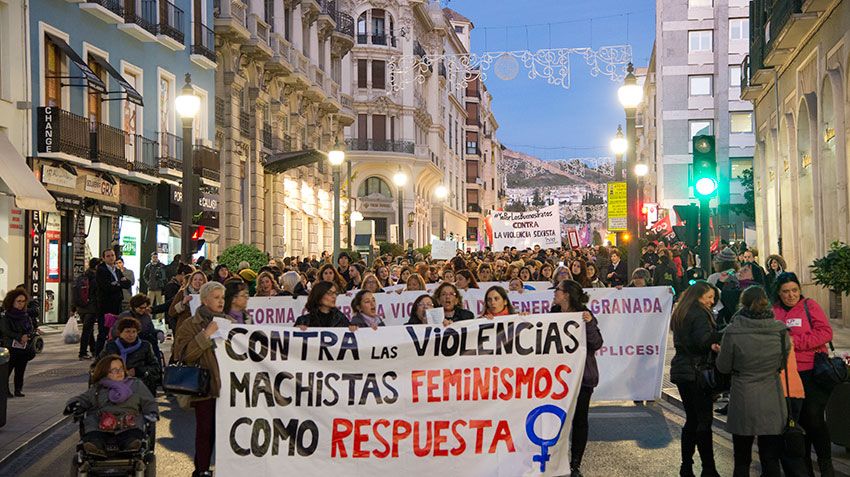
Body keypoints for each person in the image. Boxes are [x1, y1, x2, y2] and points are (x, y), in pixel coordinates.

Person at [715, 286, 794, 477]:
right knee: (770, 458)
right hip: (772, 396)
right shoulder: (780, 331)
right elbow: (782, 363)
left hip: (743, 396)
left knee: (742, 459)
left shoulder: (733, 331)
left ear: (743, 304)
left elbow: (723, 367)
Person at [772, 272, 836, 476]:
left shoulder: (810, 306)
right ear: (778, 293)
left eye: (794, 290)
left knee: (814, 418)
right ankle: (804, 467)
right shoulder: (774, 311)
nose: (791, 295)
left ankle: (826, 465)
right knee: (797, 423)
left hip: (812, 371)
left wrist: (795, 343)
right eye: (786, 292)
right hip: (788, 375)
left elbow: (825, 332)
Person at [172, 281, 227, 477]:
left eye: (222, 297)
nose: (221, 301)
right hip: (204, 388)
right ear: (204, 300)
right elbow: (183, 355)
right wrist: (206, 335)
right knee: (205, 432)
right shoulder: (190, 325)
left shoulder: (230, 322)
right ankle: (202, 470)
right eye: (216, 297)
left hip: (229, 388)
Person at [550, 280, 603, 477]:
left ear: (568, 294)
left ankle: (575, 464)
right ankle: (555, 460)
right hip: (556, 378)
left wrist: (589, 324)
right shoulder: (552, 315)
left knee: (580, 420)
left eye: (558, 290)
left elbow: (596, 343)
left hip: (581, 376)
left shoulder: (585, 315)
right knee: (555, 419)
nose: (555, 293)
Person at [669, 281, 721, 477]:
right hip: (697, 371)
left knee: (691, 419)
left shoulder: (682, 311)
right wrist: (719, 337)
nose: (711, 301)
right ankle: (708, 467)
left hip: (683, 370)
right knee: (703, 421)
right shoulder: (698, 313)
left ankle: (686, 465)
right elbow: (702, 341)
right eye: (709, 297)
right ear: (698, 296)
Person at [64, 355, 157, 458]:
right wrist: (75, 404)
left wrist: (152, 412)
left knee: (133, 435)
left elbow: (149, 401)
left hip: (128, 423)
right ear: (105, 373)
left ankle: (131, 446)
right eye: (114, 370)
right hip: (102, 424)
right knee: (92, 430)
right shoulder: (98, 388)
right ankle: (95, 447)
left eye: (121, 368)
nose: (119, 372)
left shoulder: (136, 384)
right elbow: (84, 398)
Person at [100, 317, 161, 395]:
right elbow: (97, 366)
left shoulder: (145, 346)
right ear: (120, 333)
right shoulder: (111, 346)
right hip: (114, 383)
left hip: (139, 384)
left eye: (134, 332)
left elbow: (155, 368)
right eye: (127, 331)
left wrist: (138, 371)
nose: (131, 335)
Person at [1, 289, 39, 397]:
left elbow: (31, 328)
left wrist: (28, 336)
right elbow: (5, 330)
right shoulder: (6, 315)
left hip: (23, 347)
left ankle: (18, 389)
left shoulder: (25, 315)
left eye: (23, 301)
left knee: (20, 370)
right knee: (7, 371)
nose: (21, 304)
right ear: (12, 301)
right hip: (10, 347)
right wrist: (19, 337)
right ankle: (5, 390)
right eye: (18, 301)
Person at [95, 249, 131, 356]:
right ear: (104, 258)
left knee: (116, 331)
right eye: (108, 256)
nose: (111, 257)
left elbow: (127, 283)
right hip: (105, 306)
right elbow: (106, 287)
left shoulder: (117, 270)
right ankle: (98, 356)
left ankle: (114, 354)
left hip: (117, 304)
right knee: (103, 332)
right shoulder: (101, 270)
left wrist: (117, 283)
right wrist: (119, 283)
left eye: (112, 255)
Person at [115, 294, 162, 362]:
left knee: (152, 342)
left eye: (145, 308)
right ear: (134, 307)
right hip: (128, 342)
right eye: (141, 308)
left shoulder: (146, 316)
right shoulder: (125, 316)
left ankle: (157, 367)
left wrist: (158, 332)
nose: (143, 310)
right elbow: (116, 332)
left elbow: (151, 330)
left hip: (144, 341)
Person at [76, 258, 101, 360]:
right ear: (96, 266)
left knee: (88, 330)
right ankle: (82, 352)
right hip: (91, 307)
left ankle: (93, 350)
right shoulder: (95, 277)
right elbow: (96, 293)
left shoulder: (82, 276)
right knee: (87, 330)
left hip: (81, 307)